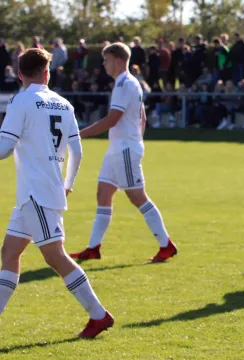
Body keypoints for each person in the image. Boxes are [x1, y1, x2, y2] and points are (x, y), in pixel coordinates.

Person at [0, 48, 113, 338]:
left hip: (36, 193)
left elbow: (4, 147)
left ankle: (98, 315)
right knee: (9, 253)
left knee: (55, 256)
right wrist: (68, 181)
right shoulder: (63, 104)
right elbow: (76, 149)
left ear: (20, 74)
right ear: (47, 72)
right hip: (37, 193)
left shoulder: (21, 101)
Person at [69, 42, 177, 263]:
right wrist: (135, 140)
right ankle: (93, 248)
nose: (104, 64)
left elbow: (112, 119)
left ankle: (166, 245)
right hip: (119, 149)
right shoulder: (127, 83)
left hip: (124, 149)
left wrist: (81, 134)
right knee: (103, 193)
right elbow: (142, 117)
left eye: (106, 60)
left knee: (137, 197)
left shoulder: (124, 84)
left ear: (118, 60)